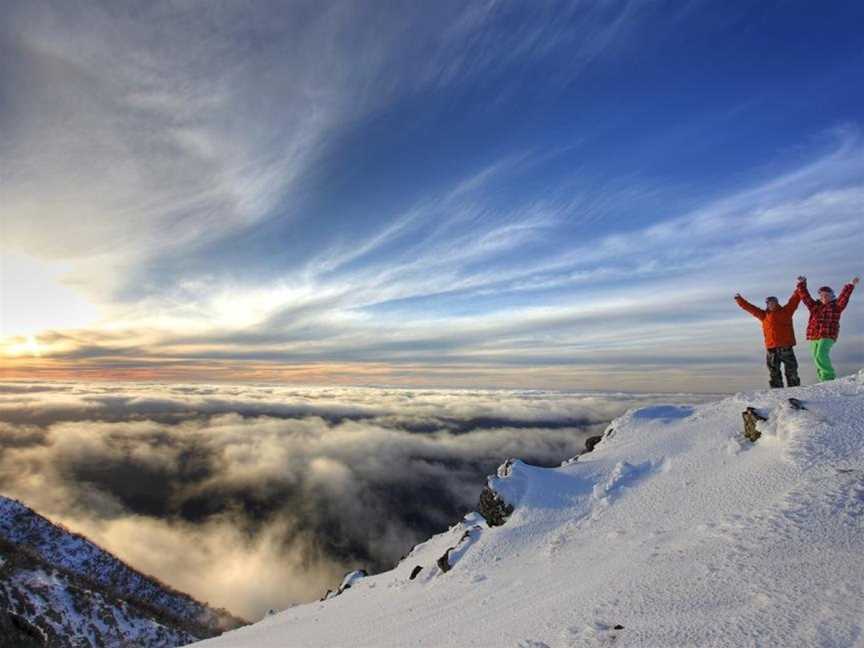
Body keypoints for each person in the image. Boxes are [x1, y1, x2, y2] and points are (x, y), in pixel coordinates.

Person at [734, 288, 801, 388]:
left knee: (791, 370)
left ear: (777, 303)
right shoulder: (764, 315)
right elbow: (750, 308)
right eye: (769, 303)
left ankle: (795, 390)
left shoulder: (786, 311)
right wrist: (739, 300)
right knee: (774, 372)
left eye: (773, 302)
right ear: (767, 304)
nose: (771, 304)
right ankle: (777, 392)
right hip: (771, 349)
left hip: (786, 347)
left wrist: (800, 286)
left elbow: (794, 300)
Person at [796, 275, 859, 381]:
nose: (824, 297)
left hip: (828, 335)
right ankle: (822, 379)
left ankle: (829, 376)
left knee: (821, 354)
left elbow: (844, 297)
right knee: (816, 357)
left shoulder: (836, 306)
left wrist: (851, 285)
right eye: (822, 295)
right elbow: (805, 297)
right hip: (814, 335)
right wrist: (802, 284)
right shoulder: (814, 306)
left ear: (832, 296)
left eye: (827, 295)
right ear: (820, 297)